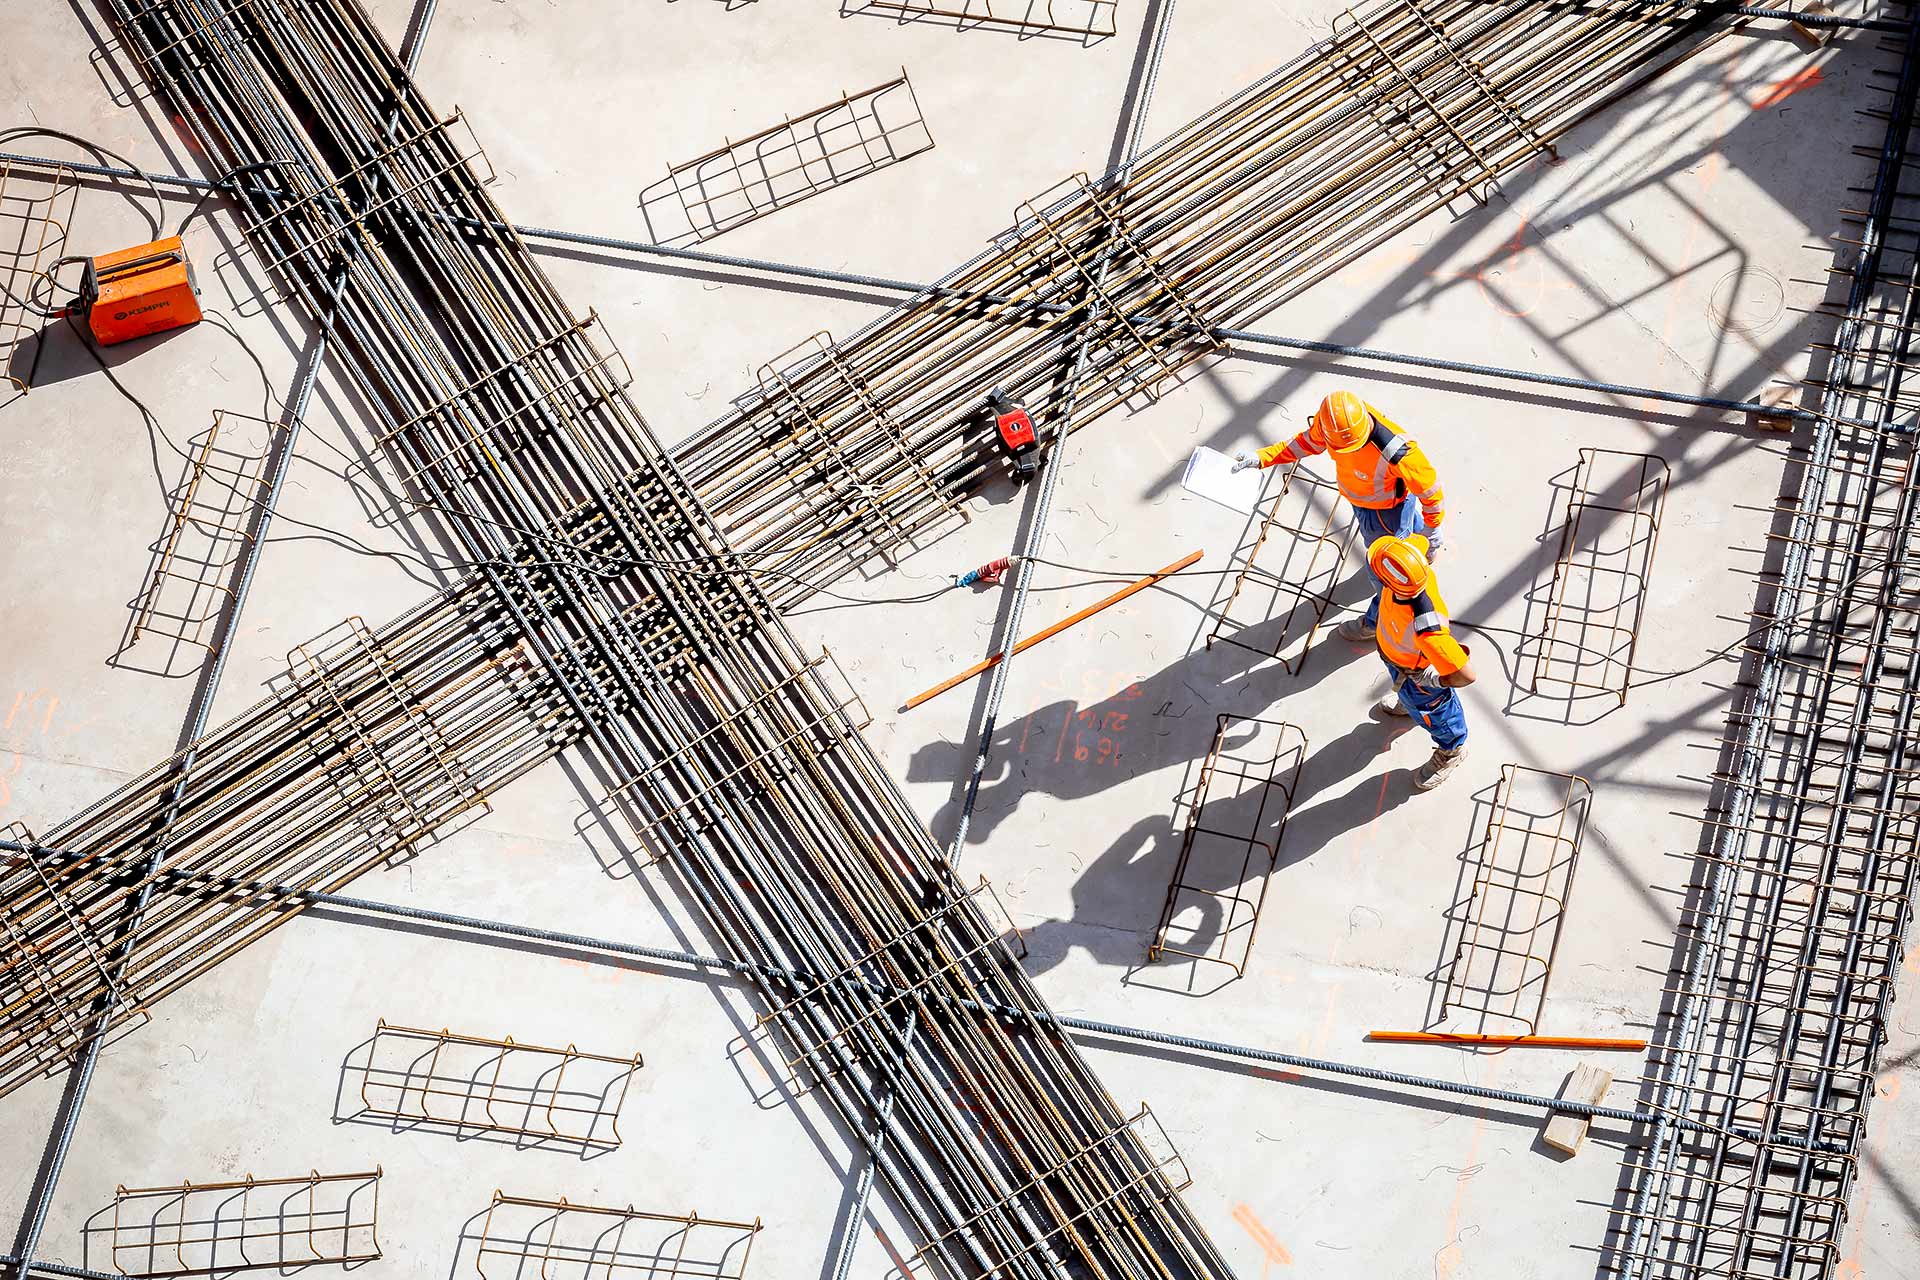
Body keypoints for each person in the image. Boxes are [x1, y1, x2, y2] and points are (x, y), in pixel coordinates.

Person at [1235, 389, 1448, 641]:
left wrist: (1432, 528)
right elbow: (1306, 443)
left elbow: (1431, 492)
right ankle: (1427, 548)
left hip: (1383, 514)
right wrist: (1262, 457)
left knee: (1386, 575)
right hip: (1374, 501)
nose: (1342, 451)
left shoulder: (1398, 451)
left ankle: (1376, 622)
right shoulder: (1335, 424)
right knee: (1410, 528)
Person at [1366, 533, 1475, 791]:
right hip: (1398, 666)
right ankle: (1409, 704)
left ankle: (1453, 749)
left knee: (1438, 716)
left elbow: (1466, 675)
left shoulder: (1427, 629)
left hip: (1419, 681)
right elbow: (1421, 538)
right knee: (1412, 699)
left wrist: (1435, 680)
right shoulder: (1409, 561)